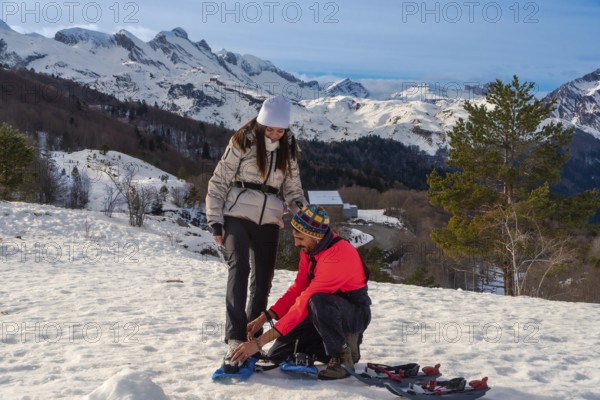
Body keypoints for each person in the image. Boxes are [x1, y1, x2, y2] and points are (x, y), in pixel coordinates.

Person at [206, 95, 307, 373]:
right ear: (261, 123)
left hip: (271, 218)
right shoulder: (243, 141)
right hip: (237, 214)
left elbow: (294, 191)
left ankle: (252, 338)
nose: (275, 134)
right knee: (239, 267)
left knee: (263, 279)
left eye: (280, 130)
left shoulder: (288, 150)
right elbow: (219, 180)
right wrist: (215, 220)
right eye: (270, 129)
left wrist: (304, 216)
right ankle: (235, 337)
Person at [231, 205, 372, 380]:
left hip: (352, 314)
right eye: (294, 236)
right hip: (320, 311)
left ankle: (344, 355)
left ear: (316, 236)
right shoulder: (311, 250)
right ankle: (320, 350)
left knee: (318, 301)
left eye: (300, 238)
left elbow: (304, 303)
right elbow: (298, 289)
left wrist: (258, 343)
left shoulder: (337, 256)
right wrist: (264, 317)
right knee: (277, 354)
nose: (296, 243)